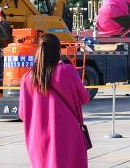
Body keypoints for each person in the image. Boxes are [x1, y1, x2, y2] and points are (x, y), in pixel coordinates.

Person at [20, 33, 91, 168]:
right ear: (58, 51)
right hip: (67, 134)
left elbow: (22, 114)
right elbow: (85, 98)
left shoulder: (27, 78)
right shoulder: (67, 71)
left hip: (38, 137)